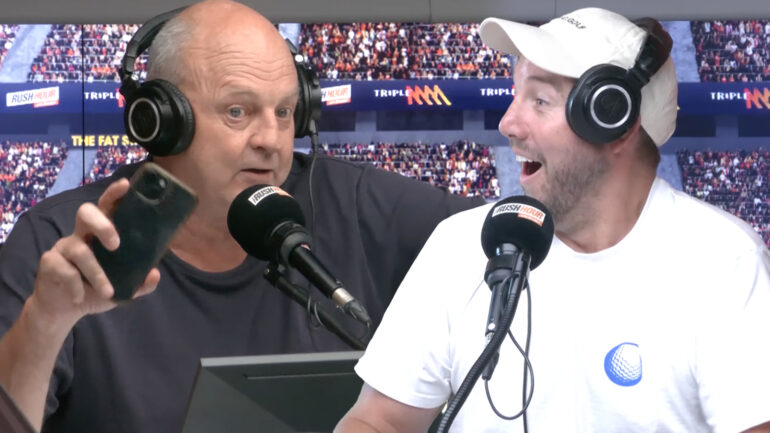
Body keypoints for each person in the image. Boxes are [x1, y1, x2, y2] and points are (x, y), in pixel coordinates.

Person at [0, 1, 484, 432]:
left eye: (285, 112)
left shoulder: (357, 203)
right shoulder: (62, 243)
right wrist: (46, 321)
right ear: (161, 120)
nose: (271, 140)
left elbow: (509, 236)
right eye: (238, 111)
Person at [336, 7, 770, 433]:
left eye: (540, 101)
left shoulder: (723, 261)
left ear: (613, 119)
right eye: (515, 95)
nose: (508, 123)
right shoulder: (459, 244)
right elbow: (378, 420)